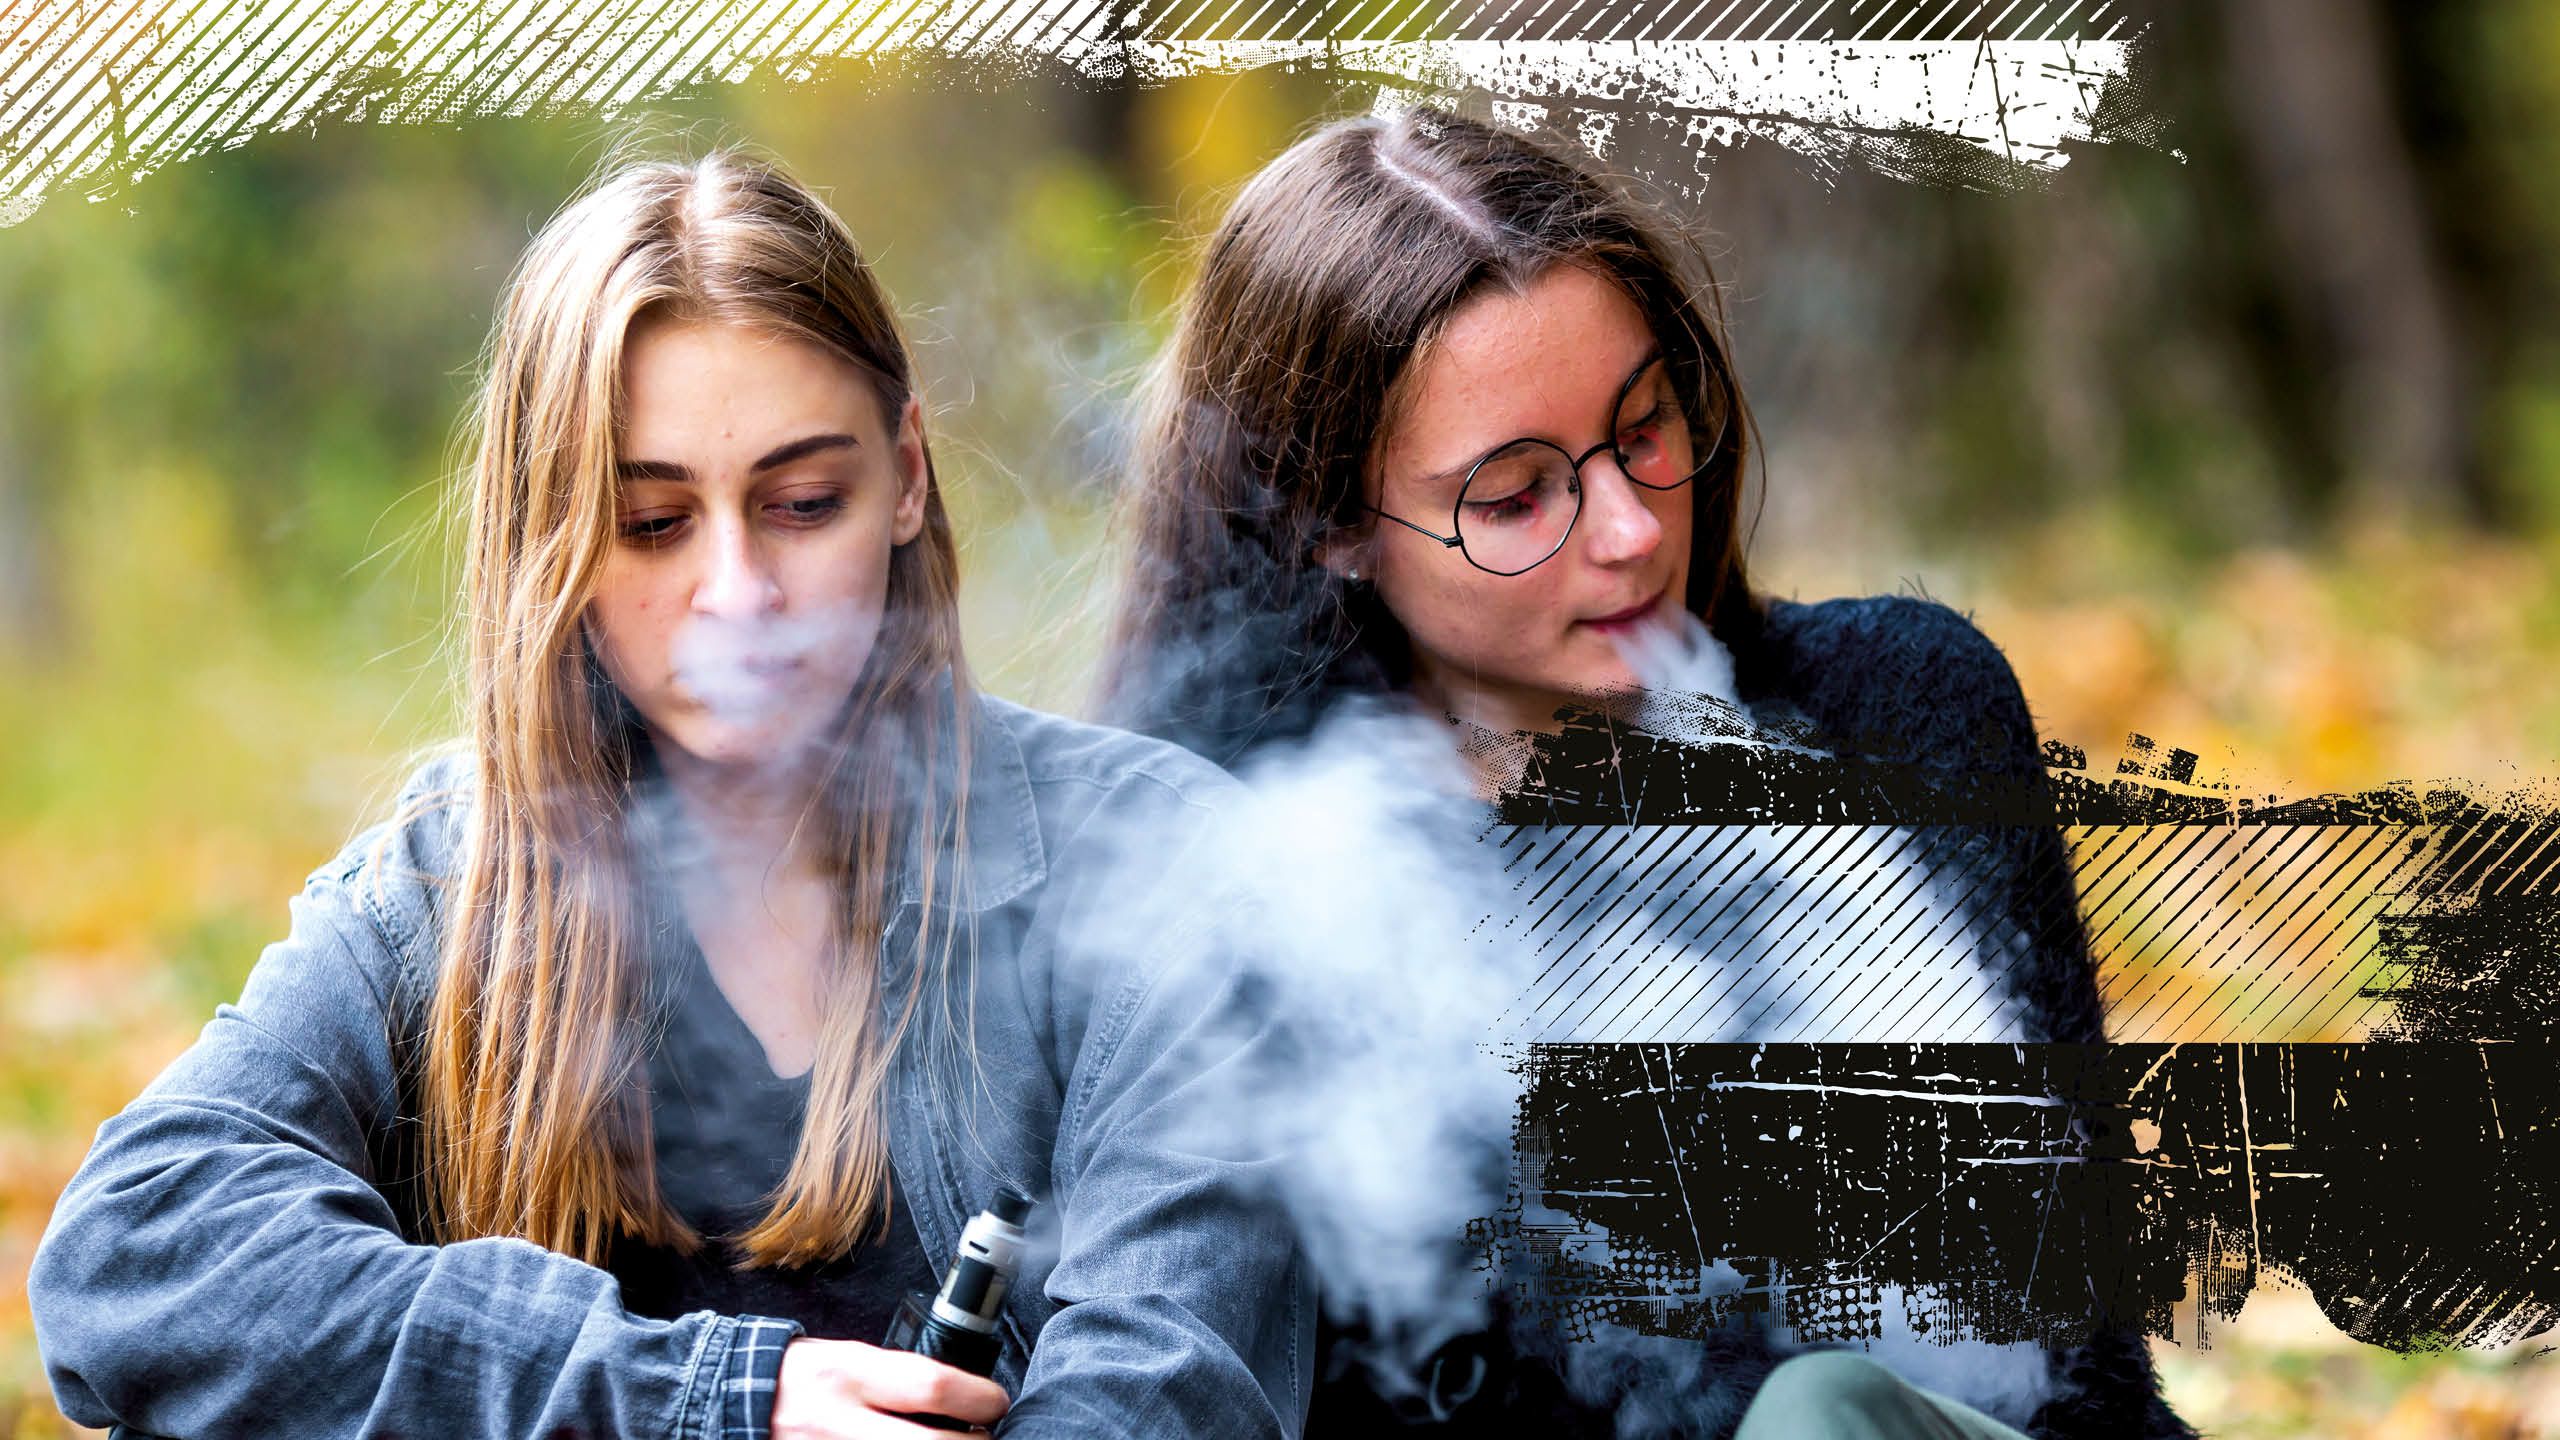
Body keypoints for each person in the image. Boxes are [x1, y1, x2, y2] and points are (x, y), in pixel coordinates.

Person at [29, 150, 1310, 1440]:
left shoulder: (1161, 871)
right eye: (651, 524)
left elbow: (1170, 1396)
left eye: (805, 504)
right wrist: (714, 1401)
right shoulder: (449, 883)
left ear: (909, 477)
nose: (739, 593)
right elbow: (133, 1258)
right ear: (557, 542)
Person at [1099, 107, 2186, 1438]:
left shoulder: (1897, 715)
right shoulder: (1221, 884)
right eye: (1515, 498)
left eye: (1645, 432)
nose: (1626, 531)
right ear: (1325, 525)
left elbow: (2090, 1386)